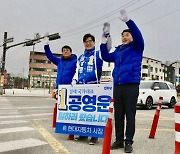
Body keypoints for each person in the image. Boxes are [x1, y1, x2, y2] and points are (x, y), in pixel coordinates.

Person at [100, 9, 144, 153]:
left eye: (127, 35)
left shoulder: (137, 47)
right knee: (118, 114)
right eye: (123, 35)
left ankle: (128, 141)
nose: (124, 37)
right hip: (117, 85)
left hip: (131, 84)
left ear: (132, 36)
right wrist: (104, 41)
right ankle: (119, 140)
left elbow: (138, 36)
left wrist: (128, 21)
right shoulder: (118, 51)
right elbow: (106, 56)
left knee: (130, 115)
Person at [72, 33, 103, 145]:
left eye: (90, 41)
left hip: (94, 87)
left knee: (93, 112)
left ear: (94, 42)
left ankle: (94, 136)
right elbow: (77, 71)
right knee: (83, 112)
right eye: (86, 41)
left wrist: (106, 37)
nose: (88, 43)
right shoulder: (81, 57)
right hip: (81, 87)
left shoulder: (98, 54)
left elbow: (107, 50)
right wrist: (74, 81)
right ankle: (83, 133)